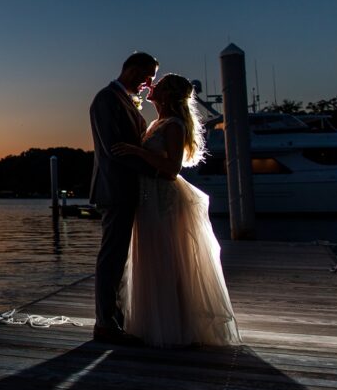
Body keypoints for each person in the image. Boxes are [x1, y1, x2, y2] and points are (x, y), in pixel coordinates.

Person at [111, 74, 241, 348]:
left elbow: (172, 170)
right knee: (150, 257)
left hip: (164, 198)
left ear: (167, 94)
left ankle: (173, 327)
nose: (151, 86)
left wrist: (137, 151)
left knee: (166, 258)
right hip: (148, 197)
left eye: (158, 84)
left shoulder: (174, 125)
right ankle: (152, 322)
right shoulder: (158, 122)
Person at [89, 51, 159, 345]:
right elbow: (114, 148)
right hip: (115, 189)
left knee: (123, 258)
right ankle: (105, 324)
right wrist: (156, 168)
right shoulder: (106, 99)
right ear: (132, 70)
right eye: (147, 76)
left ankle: (118, 319)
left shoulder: (125, 101)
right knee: (112, 257)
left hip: (130, 189)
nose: (148, 84)